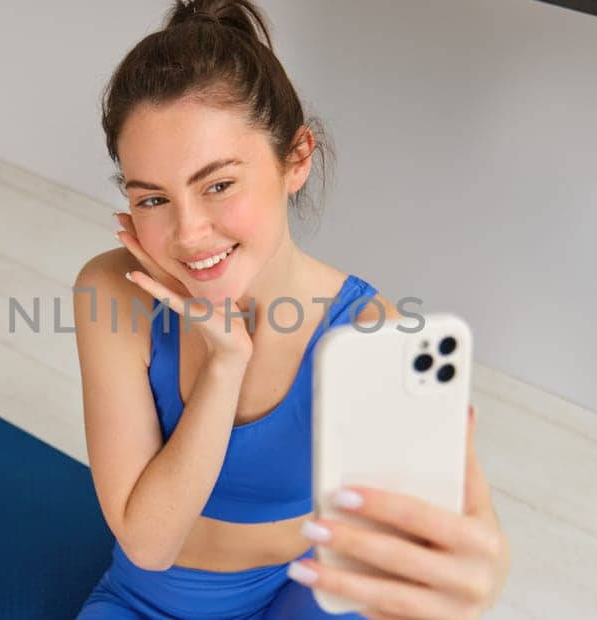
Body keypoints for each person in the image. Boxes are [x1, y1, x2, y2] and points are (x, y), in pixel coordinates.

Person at [71, 1, 510, 617]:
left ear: (296, 158)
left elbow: (440, 538)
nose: (190, 232)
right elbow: (148, 544)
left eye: (218, 184)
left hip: (305, 588)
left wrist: (476, 572)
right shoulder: (112, 291)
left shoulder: (368, 333)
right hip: (156, 598)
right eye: (152, 199)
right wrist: (225, 362)